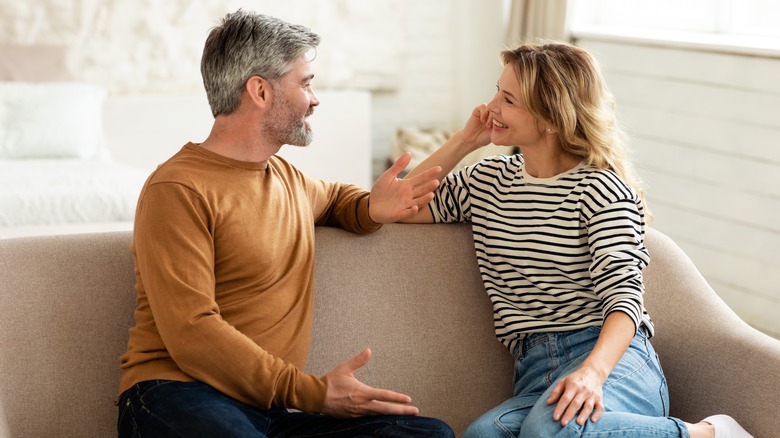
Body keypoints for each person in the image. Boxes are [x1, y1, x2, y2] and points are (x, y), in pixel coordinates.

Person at [116, 10, 455, 438]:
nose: (314, 99)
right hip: (175, 393)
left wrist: (372, 208)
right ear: (259, 90)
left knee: (429, 435)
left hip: (267, 411)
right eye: (305, 83)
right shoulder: (177, 188)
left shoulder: (287, 179)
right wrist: (313, 393)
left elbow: (335, 199)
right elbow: (192, 331)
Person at [402, 41, 752, 438]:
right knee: (483, 435)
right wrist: (464, 141)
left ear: (550, 116)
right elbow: (399, 206)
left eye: (509, 99)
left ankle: (708, 434)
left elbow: (625, 300)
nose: (490, 108)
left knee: (548, 431)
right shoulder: (487, 181)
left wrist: (591, 373)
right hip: (534, 368)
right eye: (496, 92)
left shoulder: (601, 188)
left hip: (613, 363)